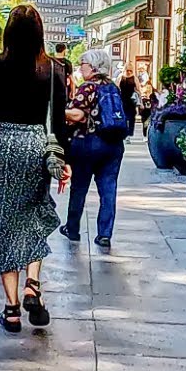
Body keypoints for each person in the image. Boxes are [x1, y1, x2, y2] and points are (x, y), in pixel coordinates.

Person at [0, 5, 71, 333]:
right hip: (37, 145)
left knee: (4, 221)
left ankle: (11, 309)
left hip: (5, 144)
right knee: (35, 214)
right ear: (40, 32)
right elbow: (59, 121)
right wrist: (65, 160)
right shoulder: (53, 68)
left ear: (8, 31)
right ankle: (33, 285)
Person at [61, 49, 128, 248]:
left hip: (88, 143)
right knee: (108, 189)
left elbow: (77, 115)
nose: (80, 68)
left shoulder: (88, 87)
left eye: (83, 64)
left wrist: (59, 112)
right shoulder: (113, 87)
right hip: (114, 144)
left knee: (80, 187)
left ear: (93, 67)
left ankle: (72, 229)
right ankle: (105, 233)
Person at [118, 61, 145, 138]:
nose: (129, 72)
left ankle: (130, 133)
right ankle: (125, 133)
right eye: (128, 70)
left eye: (131, 70)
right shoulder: (121, 78)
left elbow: (138, 90)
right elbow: (116, 89)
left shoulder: (134, 78)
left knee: (131, 117)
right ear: (125, 70)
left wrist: (141, 102)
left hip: (131, 100)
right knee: (124, 117)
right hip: (122, 100)